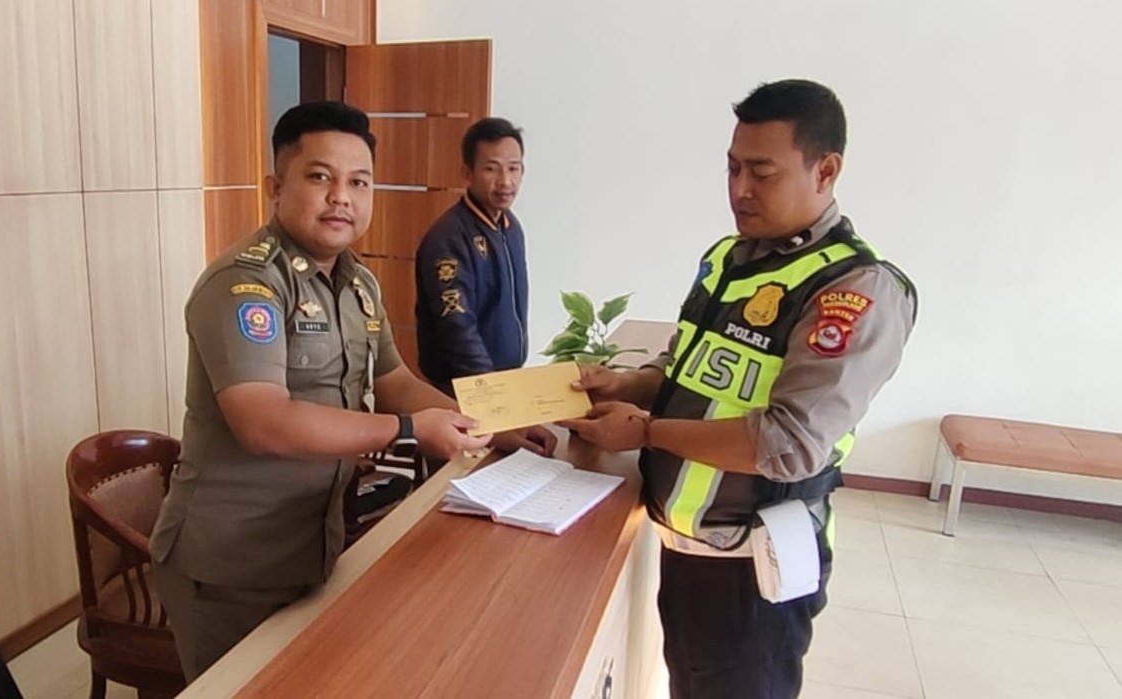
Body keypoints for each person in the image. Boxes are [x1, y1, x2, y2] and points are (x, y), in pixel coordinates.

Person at [150, 102, 554, 680]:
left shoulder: (357, 282)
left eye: (359, 182)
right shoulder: (246, 284)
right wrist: (409, 431)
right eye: (320, 177)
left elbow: (396, 383)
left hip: (315, 542)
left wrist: (492, 421)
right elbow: (263, 421)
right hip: (232, 565)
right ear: (275, 187)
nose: (341, 197)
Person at [560, 79, 918, 699]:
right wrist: (629, 385)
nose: (739, 189)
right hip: (690, 548)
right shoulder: (730, 259)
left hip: (756, 565)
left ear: (826, 170)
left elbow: (789, 443)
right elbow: (686, 372)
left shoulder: (853, 289)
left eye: (762, 172)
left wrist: (646, 433)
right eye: (731, 168)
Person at [415, 117, 530, 395]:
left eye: (513, 168)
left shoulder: (511, 226)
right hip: (466, 388)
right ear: (467, 174)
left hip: (505, 380)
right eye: (491, 169)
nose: (505, 181)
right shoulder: (449, 238)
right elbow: (456, 327)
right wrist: (490, 391)